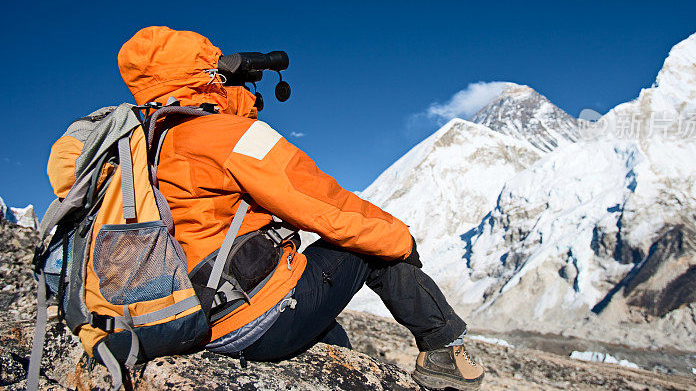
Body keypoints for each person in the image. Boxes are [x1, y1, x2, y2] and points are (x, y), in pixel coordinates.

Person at [116, 26, 485, 390]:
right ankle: (444, 351)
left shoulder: (137, 150)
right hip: (251, 319)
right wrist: (401, 240)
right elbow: (324, 206)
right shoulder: (225, 135)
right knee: (373, 240)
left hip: (188, 318)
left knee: (326, 323)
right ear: (211, 75)